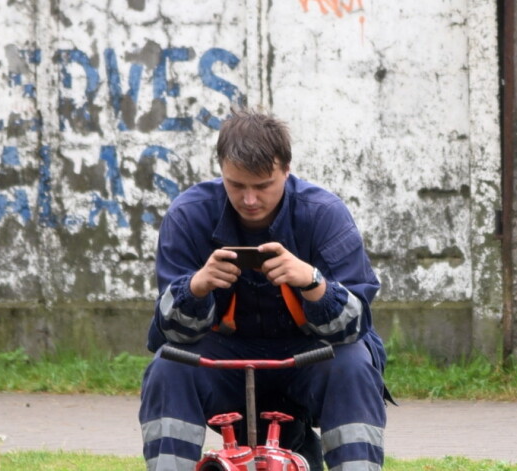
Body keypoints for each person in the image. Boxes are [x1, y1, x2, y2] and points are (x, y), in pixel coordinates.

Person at [139, 107, 388, 471]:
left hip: (310, 356)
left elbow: (355, 326)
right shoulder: (188, 214)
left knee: (353, 364)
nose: (250, 199)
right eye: (237, 185)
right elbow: (171, 332)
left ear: (286, 171)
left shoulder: (324, 213)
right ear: (221, 169)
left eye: (263, 185)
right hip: (222, 358)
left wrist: (312, 282)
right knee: (168, 366)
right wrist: (195, 288)